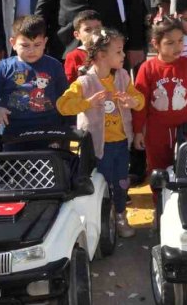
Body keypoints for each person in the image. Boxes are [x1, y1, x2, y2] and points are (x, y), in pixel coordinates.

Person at [57, 28, 144, 237]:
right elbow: (62, 105)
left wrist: (133, 102)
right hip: (95, 147)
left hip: (121, 143)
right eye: (119, 52)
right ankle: (101, 219)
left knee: (121, 182)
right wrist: (87, 103)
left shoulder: (123, 76)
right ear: (102, 56)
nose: (124, 56)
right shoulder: (84, 82)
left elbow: (139, 100)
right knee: (99, 184)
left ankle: (121, 215)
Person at [134, 17, 187, 176]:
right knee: (158, 170)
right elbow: (139, 103)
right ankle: (160, 200)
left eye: (180, 41)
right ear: (156, 44)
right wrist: (138, 131)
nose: (178, 47)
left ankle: (183, 200)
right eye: (170, 43)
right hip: (157, 132)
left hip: (186, 128)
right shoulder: (147, 68)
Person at [0, 15, 68, 136]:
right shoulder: (4, 67)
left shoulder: (54, 66)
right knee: (12, 155)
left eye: (37, 45)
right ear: (13, 43)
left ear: (45, 42)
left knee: (50, 155)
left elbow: (65, 96)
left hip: (49, 128)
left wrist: (69, 124)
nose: (31, 50)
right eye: (25, 45)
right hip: (13, 128)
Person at [64, 10, 103, 83]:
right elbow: (69, 84)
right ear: (77, 35)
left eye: (98, 28)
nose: (94, 32)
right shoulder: (73, 56)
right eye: (88, 29)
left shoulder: (109, 51)